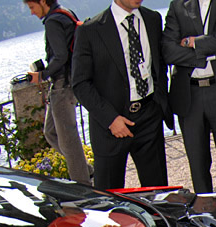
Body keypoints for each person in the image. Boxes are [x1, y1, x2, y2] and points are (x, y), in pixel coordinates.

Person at [72, 0, 171, 189]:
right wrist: (111, 119)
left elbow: (159, 64)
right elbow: (80, 84)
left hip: (149, 117)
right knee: (109, 199)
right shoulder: (90, 30)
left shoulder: (153, 19)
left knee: (158, 195)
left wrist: (158, 104)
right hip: (111, 127)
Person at [162, 0, 216, 193]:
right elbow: (168, 51)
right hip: (189, 96)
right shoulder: (178, 5)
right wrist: (212, 49)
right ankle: (204, 217)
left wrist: (193, 42)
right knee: (198, 167)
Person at [25, 0, 91, 185]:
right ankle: (86, 170)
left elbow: (60, 56)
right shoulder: (66, 13)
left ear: (43, 2)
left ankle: (83, 185)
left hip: (62, 86)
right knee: (51, 132)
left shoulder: (53, 21)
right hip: (72, 81)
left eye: (32, 7)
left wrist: (42, 75)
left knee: (68, 139)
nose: (32, 13)